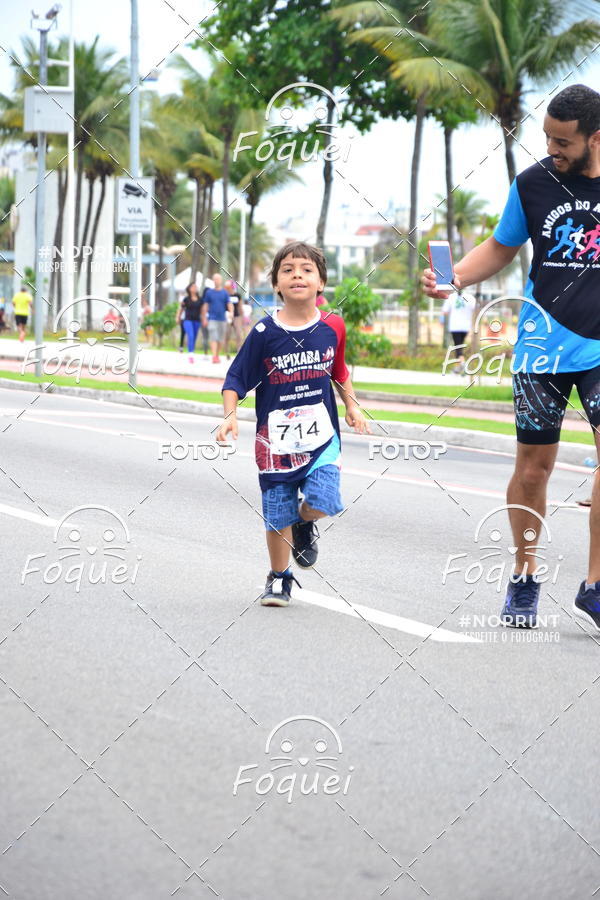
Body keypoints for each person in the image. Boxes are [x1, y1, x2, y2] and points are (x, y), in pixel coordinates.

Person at [423, 83, 600, 632]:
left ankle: (594, 586)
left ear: (597, 138)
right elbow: (501, 246)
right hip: (541, 347)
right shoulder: (532, 184)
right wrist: (452, 277)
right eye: (547, 137)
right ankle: (525, 576)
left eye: (565, 141)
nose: (553, 148)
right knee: (533, 469)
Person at [216, 241, 370, 607]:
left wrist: (352, 406)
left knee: (324, 499)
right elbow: (235, 378)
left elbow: (339, 371)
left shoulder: (333, 326)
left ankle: (304, 522)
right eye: (287, 270)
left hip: (321, 439)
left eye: (306, 269)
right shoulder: (264, 332)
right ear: (277, 284)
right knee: (275, 513)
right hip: (276, 444)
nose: (297, 274)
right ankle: (279, 578)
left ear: (321, 283)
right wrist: (229, 415)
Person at [440, 290, 476, 373]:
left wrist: (441, 320)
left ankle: (463, 364)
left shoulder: (451, 297)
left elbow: (444, 311)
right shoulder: (470, 297)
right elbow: (475, 308)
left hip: (455, 326)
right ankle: (458, 368)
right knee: (459, 346)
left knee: (458, 347)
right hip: (466, 326)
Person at [201, 273, 233, 363]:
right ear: (213, 280)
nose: (216, 281)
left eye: (218, 279)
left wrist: (231, 312)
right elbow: (205, 305)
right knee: (213, 337)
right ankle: (214, 356)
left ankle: (217, 355)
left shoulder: (224, 293)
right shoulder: (209, 292)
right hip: (212, 318)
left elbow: (229, 304)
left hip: (222, 319)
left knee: (220, 339)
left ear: (221, 281)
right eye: (214, 279)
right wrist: (204, 318)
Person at [176, 282, 203, 363]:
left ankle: (192, 351)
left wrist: (204, 318)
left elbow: (203, 311)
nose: (195, 288)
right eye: (193, 287)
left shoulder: (200, 299)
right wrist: (178, 317)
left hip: (197, 320)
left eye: (196, 287)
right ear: (189, 289)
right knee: (190, 335)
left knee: (194, 337)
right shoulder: (186, 299)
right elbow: (181, 309)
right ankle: (191, 354)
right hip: (187, 320)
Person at [224, 279, 244, 356]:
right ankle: (226, 352)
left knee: (238, 333)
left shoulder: (237, 295)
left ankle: (239, 350)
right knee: (227, 334)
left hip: (236, 316)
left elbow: (240, 306)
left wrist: (242, 317)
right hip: (227, 316)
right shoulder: (225, 295)